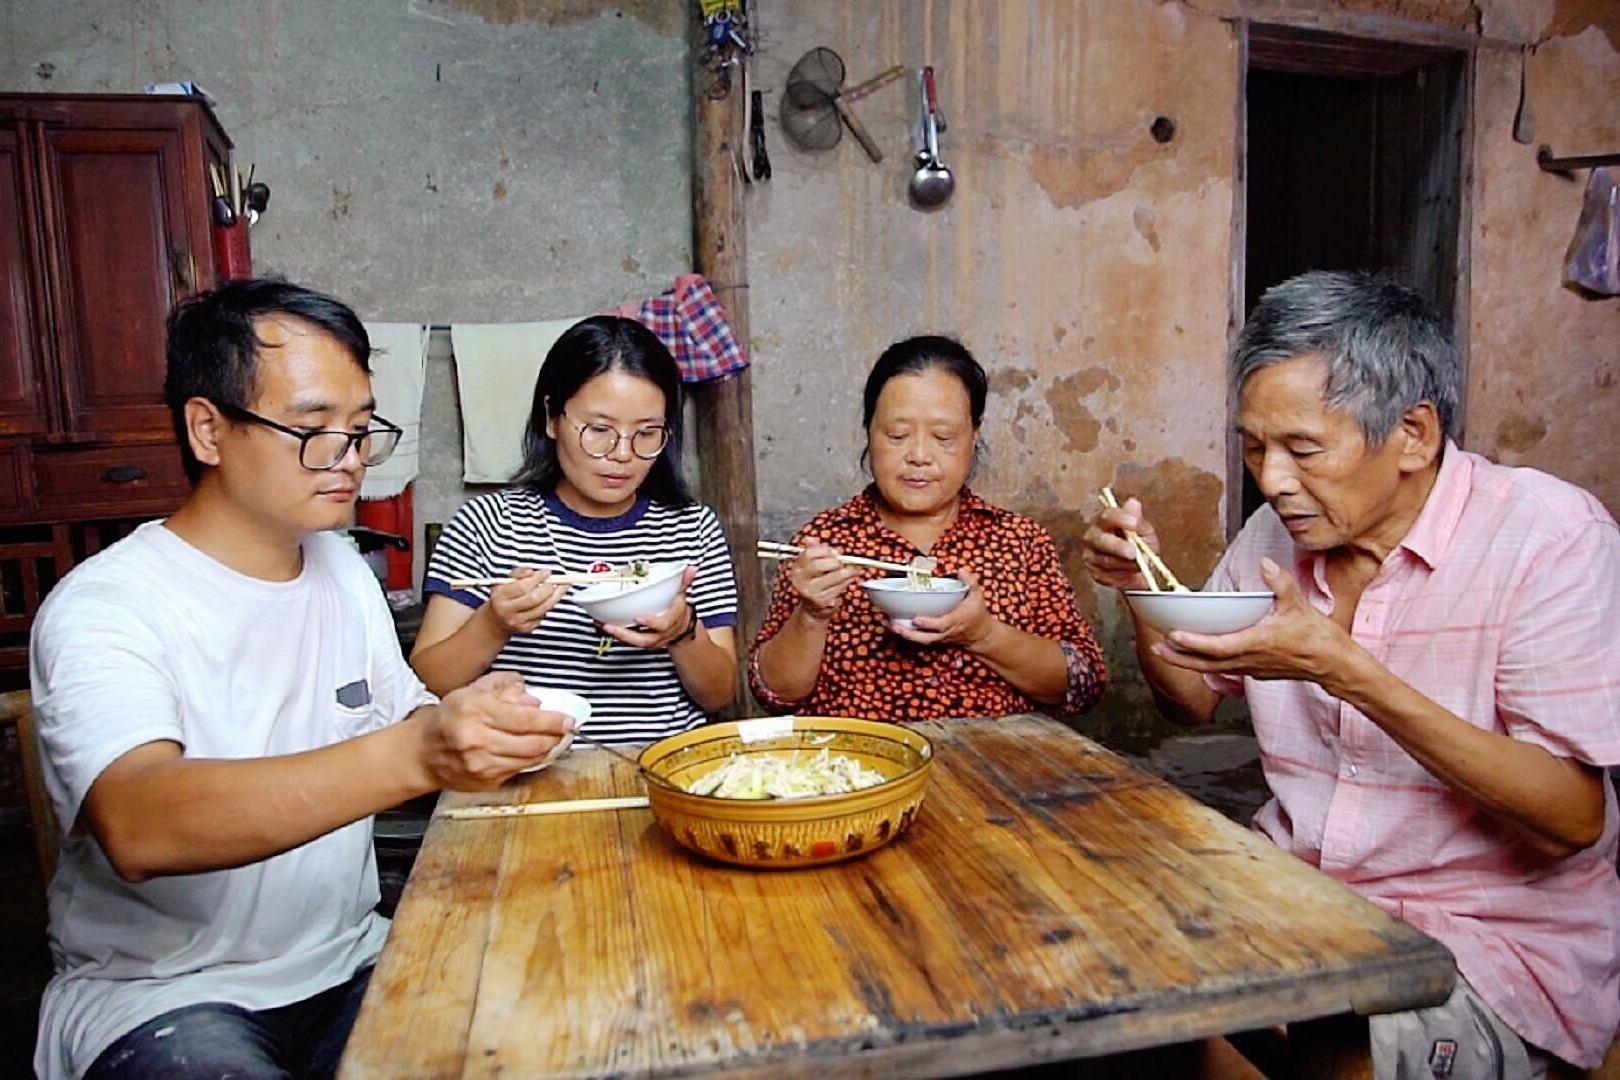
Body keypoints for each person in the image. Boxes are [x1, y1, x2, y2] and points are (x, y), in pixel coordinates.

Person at [26, 279, 576, 1080]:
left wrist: (476, 723)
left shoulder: (340, 570)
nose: (349, 461)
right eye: (314, 430)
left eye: (360, 431)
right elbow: (138, 823)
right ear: (209, 429)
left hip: (350, 962)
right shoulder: (108, 605)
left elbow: (406, 724)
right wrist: (419, 754)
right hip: (167, 996)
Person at [1081, 271, 1620, 1077]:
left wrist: (1348, 672)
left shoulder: (1549, 537)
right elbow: (1187, 700)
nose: (1272, 480)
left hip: (1486, 941)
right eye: (1255, 448)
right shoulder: (1277, 533)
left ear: (1413, 433)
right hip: (1297, 897)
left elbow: (1572, 819)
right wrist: (1139, 592)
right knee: (1110, 983)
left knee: (1335, 1041)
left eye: (1303, 449)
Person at [412, 316, 738, 742]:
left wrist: (683, 633)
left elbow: (719, 694)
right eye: (599, 430)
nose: (622, 454)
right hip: (519, 768)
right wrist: (493, 624)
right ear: (552, 419)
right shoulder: (487, 524)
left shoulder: (692, 528)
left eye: (647, 433)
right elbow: (427, 682)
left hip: (661, 771)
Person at [750, 335, 1107, 721]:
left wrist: (984, 635)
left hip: (991, 770)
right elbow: (773, 694)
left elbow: (1083, 684)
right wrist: (812, 615)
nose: (919, 456)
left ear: (974, 436)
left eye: (943, 437)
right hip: (863, 770)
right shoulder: (825, 543)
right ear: (869, 431)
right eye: (897, 436)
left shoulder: (1018, 541)